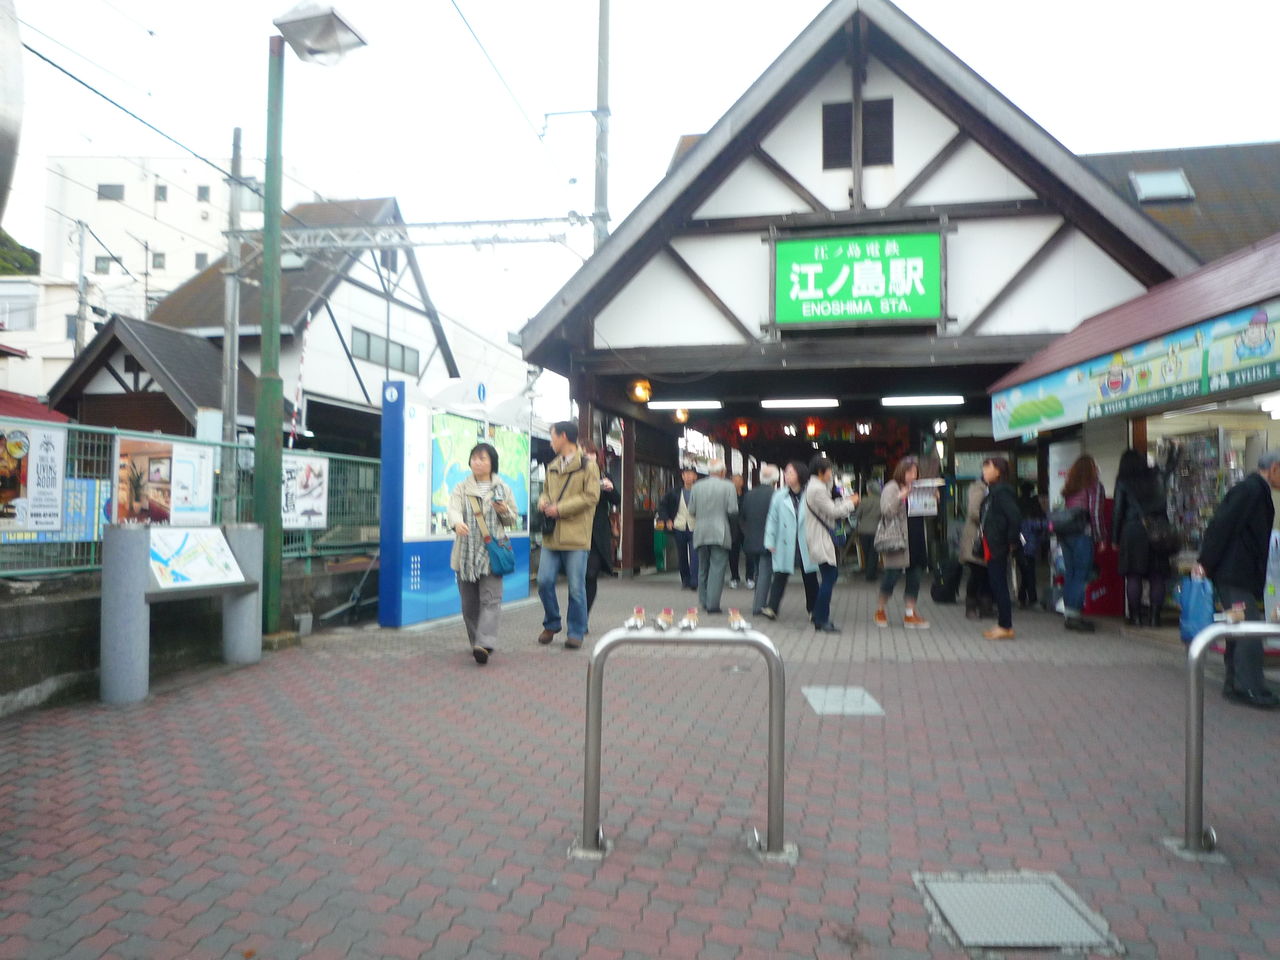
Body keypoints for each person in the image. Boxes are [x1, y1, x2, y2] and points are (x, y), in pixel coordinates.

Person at [1195, 450, 1280, 709]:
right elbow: (1221, 525)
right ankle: (1249, 687)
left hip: (1236, 573)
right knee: (1249, 631)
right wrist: (1204, 562)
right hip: (1235, 575)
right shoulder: (1250, 491)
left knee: (1238, 628)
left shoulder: (1253, 490)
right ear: (1275, 468)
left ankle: (1235, 683)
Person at [448, 443, 519, 665]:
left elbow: (512, 520)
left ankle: (484, 643)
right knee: (469, 605)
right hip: (465, 555)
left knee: (491, 600)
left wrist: (504, 510)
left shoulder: (503, 489)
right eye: (474, 458)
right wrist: (457, 523)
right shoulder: (461, 487)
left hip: (492, 553)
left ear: (492, 463)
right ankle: (476, 643)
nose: (477, 462)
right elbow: (453, 509)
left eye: (483, 458)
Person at [535, 420, 600, 650]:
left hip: (576, 536)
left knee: (576, 587)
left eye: (553, 437)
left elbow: (592, 496)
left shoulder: (587, 466)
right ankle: (552, 622)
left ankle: (575, 631)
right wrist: (543, 503)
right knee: (543, 581)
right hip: (552, 536)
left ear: (563, 437)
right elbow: (545, 493)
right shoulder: (552, 465)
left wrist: (560, 508)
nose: (551, 441)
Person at [1112, 449, 1172, 627]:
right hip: (1159, 529)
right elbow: (1170, 469)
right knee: (1157, 576)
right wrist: (1175, 451)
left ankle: (1136, 617)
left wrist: (1115, 538)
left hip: (1134, 530)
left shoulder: (1123, 481)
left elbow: (1117, 512)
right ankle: (1155, 618)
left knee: (1133, 575)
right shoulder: (1157, 476)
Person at [801, 456, 859, 632]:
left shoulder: (817, 487)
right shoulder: (817, 489)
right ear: (820, 472)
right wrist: (851, 503)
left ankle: (819, 617)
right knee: (830, 576)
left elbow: (829, 507)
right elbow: (833, 512)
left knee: (829, 576)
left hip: (820, 536)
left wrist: (845, 501)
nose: (831, 475)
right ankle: (821, 618)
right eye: (830, 472)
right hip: (820, 537)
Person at [875, 456, 930, 629]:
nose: (913, 476)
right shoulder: (892, 487)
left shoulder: (918, 488)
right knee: (891, 575)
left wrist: (931, 498)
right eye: (909, 472)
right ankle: (880, 610)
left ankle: (909, 614)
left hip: (917, 536)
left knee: (915, 576)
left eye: (915, 472)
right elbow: (886, 511)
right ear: (901, 471)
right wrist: (900, 496)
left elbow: (926, 510)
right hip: (898, 538)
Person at [1059, 454, 1107, 633]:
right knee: (1081, 575)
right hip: (1082, 535)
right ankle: (1074, 616)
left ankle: (1069, 614)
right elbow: (1095, 514)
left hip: (1066, 536)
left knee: (1071, 574)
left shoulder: (1071, 488)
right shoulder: (1094, 486)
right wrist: (1101, 537)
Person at [977, 457, 1022, 640]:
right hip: (991, 543)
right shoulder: (993, 492)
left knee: (1000, 585)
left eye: (988, 468)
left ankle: (1006, 626)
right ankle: (1003, 624)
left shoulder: (1003, 492)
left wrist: (1011, 541)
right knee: (996, 584)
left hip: (999, 544)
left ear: (998, 471)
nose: (984, 471)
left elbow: (1015, 517)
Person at [761, 461, 810, 620]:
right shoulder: (779, 495)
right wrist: (770, 541)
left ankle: (813, 609)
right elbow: (772, 519)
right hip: (785, 540)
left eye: (791, 472)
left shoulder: (809, 494)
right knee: (780, 574)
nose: (787, 476)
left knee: (809, 576)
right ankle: (772, 608)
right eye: (786, 472)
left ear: (800, 475)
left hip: (805, 541)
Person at [688, 459, 738, 614]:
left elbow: (691, 510)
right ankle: (713, 604)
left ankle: (703, 600)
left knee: (703, 567)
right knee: (717, 568)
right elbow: (733, 510)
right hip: (720, 532)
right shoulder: (729, 486)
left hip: (701, 531)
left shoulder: (696, 487)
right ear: (722, 472)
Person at [582, 441, 621, 614]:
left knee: (591, 575)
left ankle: (583, 617)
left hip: (598, 533)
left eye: (592, 454)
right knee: (578, 577)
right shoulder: (571, 477)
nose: (589, 457)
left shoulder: (604, 475)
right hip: (577, 531)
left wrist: (610, 489)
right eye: (584, 454)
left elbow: (616, 500)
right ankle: (578, 617)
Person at [740, 464, 779, 616]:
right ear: (775, 480)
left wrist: (747, 532)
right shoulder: (777, 495)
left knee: (758, 572)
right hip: (768, 541)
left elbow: (742, 517)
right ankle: (758, 606)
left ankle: (758, 600)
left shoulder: (749, 495)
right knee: (765, 573)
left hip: (751, 539)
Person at [658, 466, 699, 591]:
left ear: (695, 477)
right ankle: (685, 580)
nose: (687, 476)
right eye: (685, 474)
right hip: (679, 525)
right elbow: (662, 506)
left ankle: (694, 580)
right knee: (681, 555)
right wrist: (667, 519)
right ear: (682, 476)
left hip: (695, 526)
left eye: (690, 474)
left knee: (694, 554)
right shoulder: (674, 492)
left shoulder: (699, 491)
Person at [959, 477, 991, 620]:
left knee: (984, 574)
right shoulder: (979, 489)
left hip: (984, 536)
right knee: (977, 573)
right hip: (976, 538)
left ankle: (984, 605)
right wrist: (990, 520)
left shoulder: (987, 488)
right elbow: (973, 511)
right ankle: (971, 606)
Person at [1017, 481, 1046, 610]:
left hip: (1019, 542)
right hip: (1030, 542)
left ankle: (1022, 598)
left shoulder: (1017, 504)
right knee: (1029, 572)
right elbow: (1042, 521)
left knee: (1025, 571)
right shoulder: (1034, 505)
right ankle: (1031, 599)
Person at [855, 479, 882, 581]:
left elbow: (857, 515)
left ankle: (868, 572)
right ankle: (871, 574)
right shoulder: (881, 501)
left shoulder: (864, 500)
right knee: (874, 553)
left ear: (869, 490)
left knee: (866, 553)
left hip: (863, 531)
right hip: (876, 530)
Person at [728, 473, 746, 589]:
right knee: (733, 555)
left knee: (749, 554)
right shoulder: (728, 495)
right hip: (732, 529)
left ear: (742, 482)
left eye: (739, 480)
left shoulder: (748, 495)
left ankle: (750, 577)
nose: (736, 483)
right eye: (734, 480)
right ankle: (734, 577)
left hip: (746, 529)